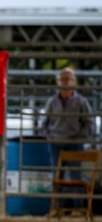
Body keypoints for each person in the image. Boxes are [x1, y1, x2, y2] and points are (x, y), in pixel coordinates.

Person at [38, 67, 95, 210]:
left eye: (68, 79)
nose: (65, 82)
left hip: (75, 143)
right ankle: (59, 208)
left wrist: (81, 138)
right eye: (62, 79)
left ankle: (77, 208)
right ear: (58, 82)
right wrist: (48, 136)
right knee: (57, 176)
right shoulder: (51, 102)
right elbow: (43, 123)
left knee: (76, 176)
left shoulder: (81, 101)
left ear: (73, 82)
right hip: (56, 143)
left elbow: (89, 123)